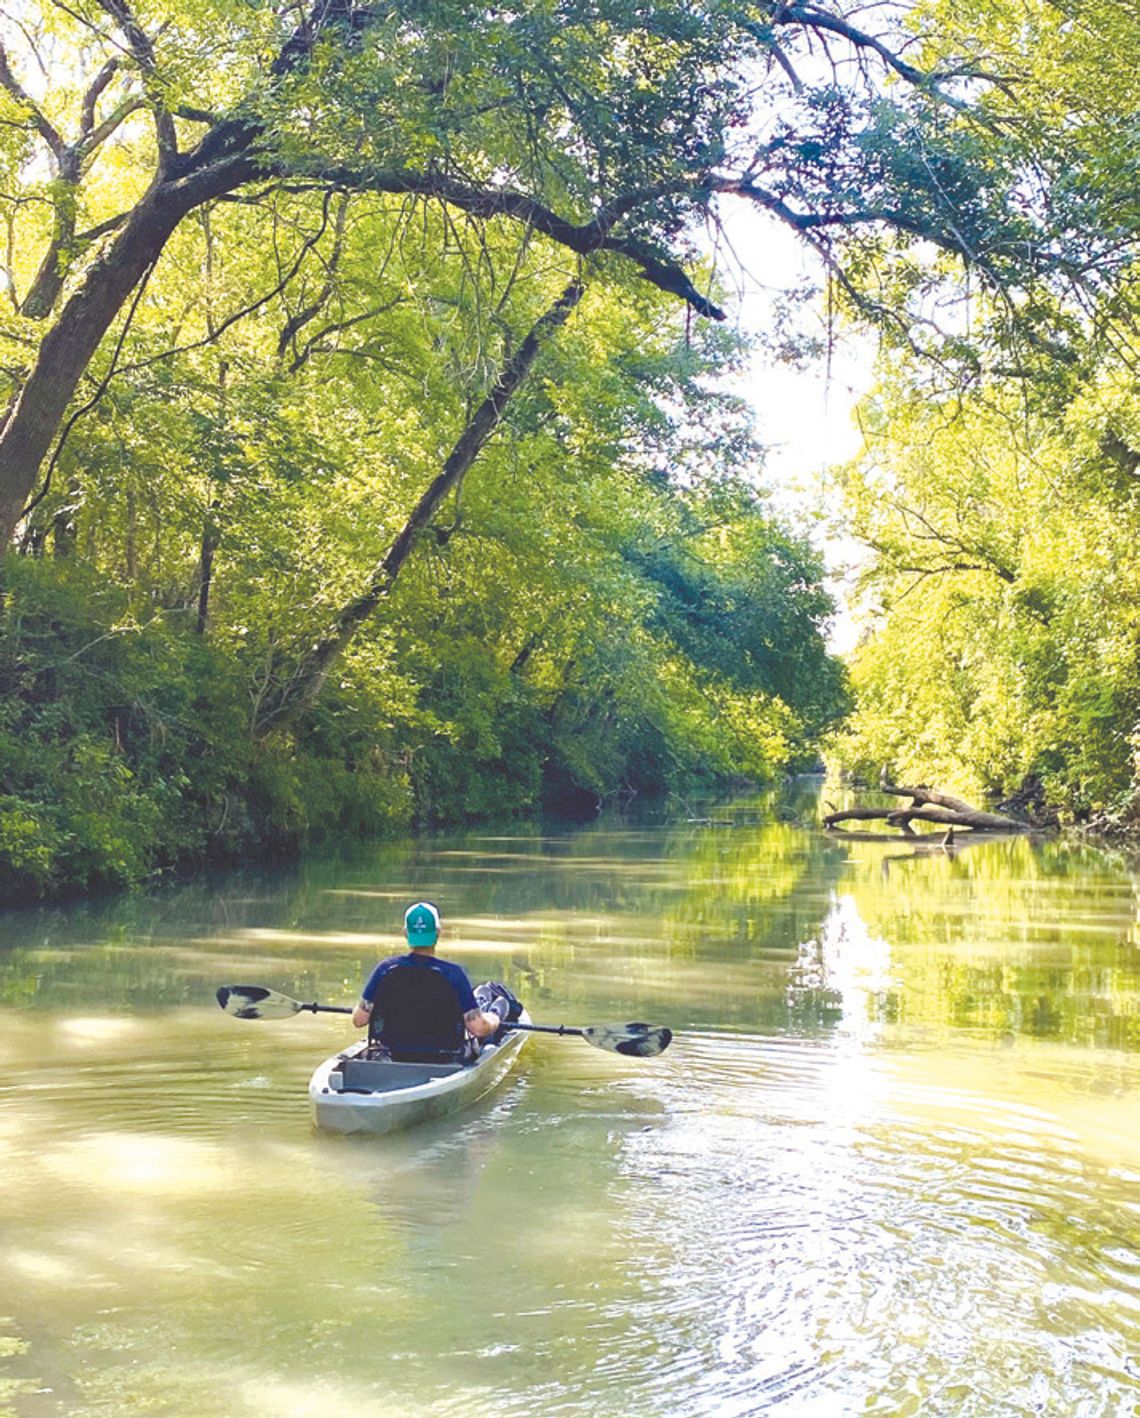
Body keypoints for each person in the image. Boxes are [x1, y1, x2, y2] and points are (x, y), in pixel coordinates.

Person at [352, 901, 508, 1061]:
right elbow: (478, 1029)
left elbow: (359, 1020)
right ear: (438, 933)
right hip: (443, 1057)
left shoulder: (385, 970)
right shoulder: (453, 974)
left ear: (405, 933)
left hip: (395, 1054)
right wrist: (494, 1018)